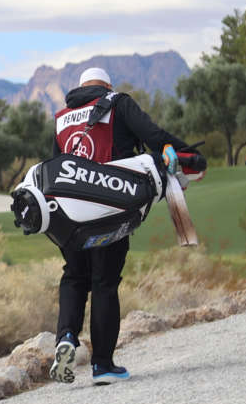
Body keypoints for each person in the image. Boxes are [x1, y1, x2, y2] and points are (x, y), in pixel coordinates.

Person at [49, 66, 202, 386]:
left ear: (81, 88)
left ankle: (65, 337)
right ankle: (102, 364)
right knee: (104, 281)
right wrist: (190, 153)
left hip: (69, 212)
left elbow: (56, 164)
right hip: (108, 209)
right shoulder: (117, 103)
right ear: (107, 85)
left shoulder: (62, 116)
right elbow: (154, 137)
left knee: (74, 276)